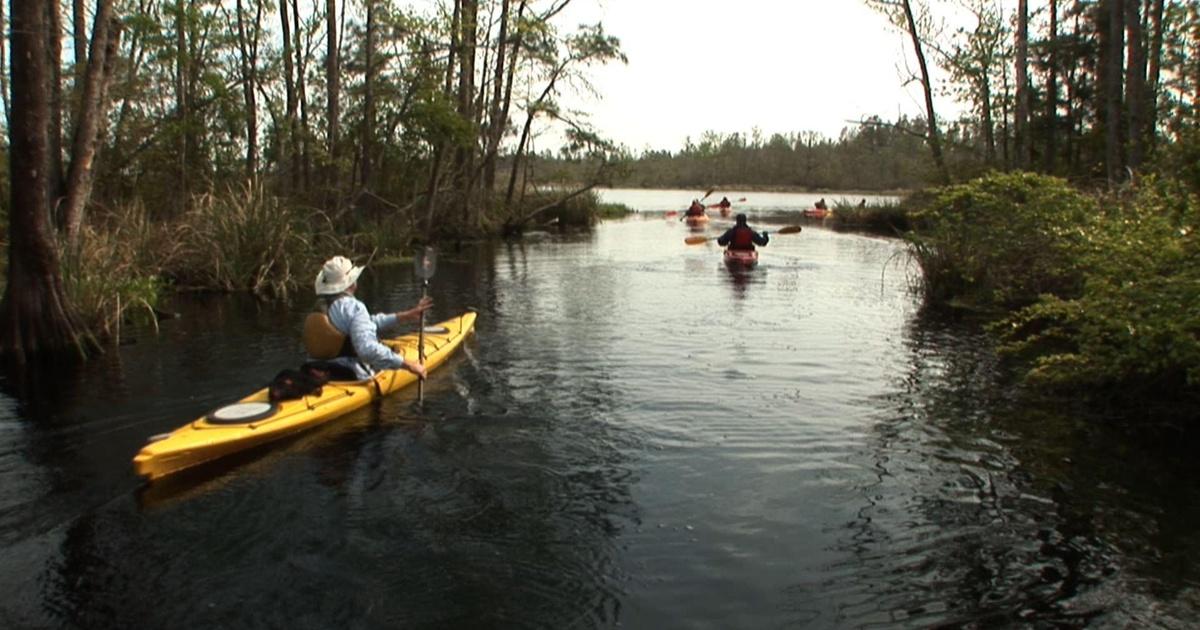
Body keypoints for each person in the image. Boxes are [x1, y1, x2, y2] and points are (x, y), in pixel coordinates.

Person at [303, 255, 433, 381]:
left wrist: (405, 316)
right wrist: (409, 365)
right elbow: (367, 349)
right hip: (349, 373)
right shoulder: (354, 307)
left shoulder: (320, 305)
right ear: (352, 283)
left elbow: (365, 323)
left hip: (315, 369)